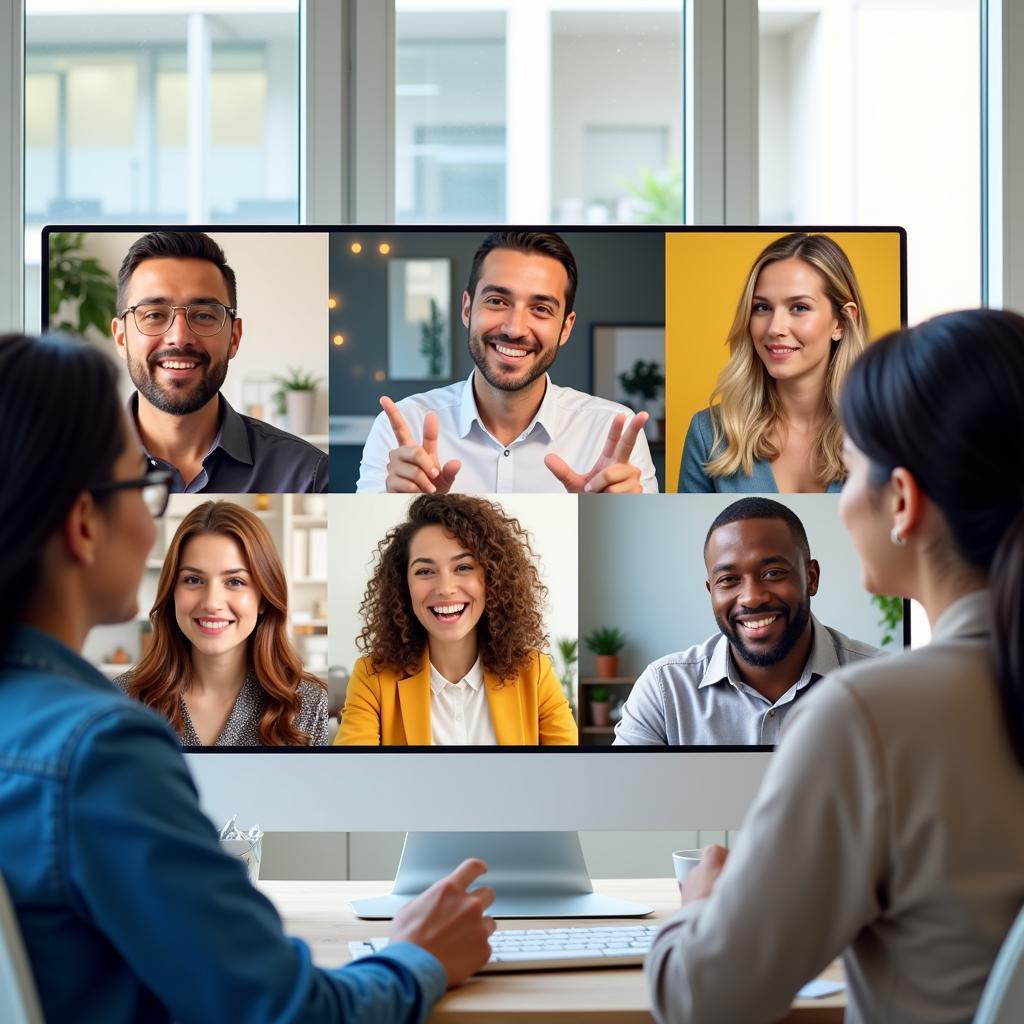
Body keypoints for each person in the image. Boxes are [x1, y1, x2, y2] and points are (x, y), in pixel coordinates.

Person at [0, 332, 495, 1024]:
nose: (152, 519)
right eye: (144, 486)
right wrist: (419, 955)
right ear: (84, 523)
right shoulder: (103, 749)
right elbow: (292, 1013)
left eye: (236, 581)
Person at [647, 309, 1024, 1023]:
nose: (842, 498)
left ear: (903, 502)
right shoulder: (670, 684)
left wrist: (697, 910)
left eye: (848, 469)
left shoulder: (873, 713)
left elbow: (703, 1002)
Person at [356, 231, 658, 494]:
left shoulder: (613, 433)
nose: (514, 329)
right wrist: (400, 507)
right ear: (467, 309)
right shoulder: (402, 429)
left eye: (540, 308)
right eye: (497, 301)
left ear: (565, 327)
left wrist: (606, 516)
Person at [613, 497, 880, 745]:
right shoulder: (664, 690)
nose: (752, 598)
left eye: (773, 573)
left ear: (811, 578)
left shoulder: (882, 683)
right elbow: (623, 793)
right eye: (728, 580)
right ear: (711, 592)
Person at [337, 493, 578, 745]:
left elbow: (569, 774)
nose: (445, 588)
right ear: (402, 585)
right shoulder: (372, 678)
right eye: (425, 571)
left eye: (463, 567)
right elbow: (354, 776)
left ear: (493, 578)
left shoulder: (535, 672)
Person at [112, 230, 328, 493]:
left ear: (234, 338)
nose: (179, 337)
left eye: (203, 315)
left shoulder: (308, 476)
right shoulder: (62, 468)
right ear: (121, 338)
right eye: (155, 314)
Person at [116, 500, 330, 746]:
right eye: (194, 579)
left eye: (235, 582)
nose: (211, 602)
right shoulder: (121, 701)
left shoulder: (308, 705)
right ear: (171, 591)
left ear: (263, 597)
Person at [678, 232, 868, 494]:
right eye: (762, 308)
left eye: (799, 307)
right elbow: (691, 535)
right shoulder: (710, 433)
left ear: (842, 322)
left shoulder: (885, 431)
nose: (775, 328)